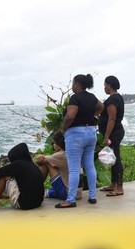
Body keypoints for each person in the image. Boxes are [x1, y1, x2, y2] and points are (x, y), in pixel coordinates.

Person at [55, 74, 104, 208]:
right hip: (91, 132)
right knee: (89, 165)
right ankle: (92, 196)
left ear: (77, 84)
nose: (72, 86)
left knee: (74, 169)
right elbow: (101, 107)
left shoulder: (75, 98)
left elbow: (70, 116)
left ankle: (71, 200)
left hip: (75, 135)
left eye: (73, 83)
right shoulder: (92, 97)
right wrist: (90, 115)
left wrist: (63, 129)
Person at [0, 142, 45, 211]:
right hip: (38, 203)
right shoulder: (33, 166)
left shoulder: (18, 164)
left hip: (25, 204)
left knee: (4, 177)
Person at [98, 75, 125, 196]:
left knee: (116, 159)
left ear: (109, 85)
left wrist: (106, 136)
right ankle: (113, 184)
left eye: (105, 85)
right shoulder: (117, 97)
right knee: (113, 159)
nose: (104, 87)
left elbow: (112, 119)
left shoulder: (112, 100)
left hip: (114, 133)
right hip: (116, 131)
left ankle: (119, 187)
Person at [35, 132, 79, 201]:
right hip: (78, 193)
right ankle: (48, 193)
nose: (53, 145)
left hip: (68, 194)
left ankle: (35, 188)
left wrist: (40, 156)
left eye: (54, 143)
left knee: (47, 163)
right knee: (54, 165)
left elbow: (39, 161)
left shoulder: (61, 155)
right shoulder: (74, 152)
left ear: (58, 145)